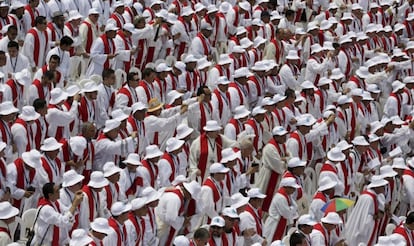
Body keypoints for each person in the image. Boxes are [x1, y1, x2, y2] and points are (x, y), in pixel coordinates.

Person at [345, 175, 388, 245]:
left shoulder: (370, 196)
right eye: (382, 186)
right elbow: (365, 220)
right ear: (377, 187)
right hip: (362, 232)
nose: (384, 188)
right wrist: (376, 217)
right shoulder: (369, 199)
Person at [264, 177, 299, 241]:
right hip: (274, 225)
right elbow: (287, 214)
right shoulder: (281, 197)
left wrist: (291, 209)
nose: (294, 190)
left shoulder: (288, 195)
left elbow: (295, 206)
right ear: (286, 187)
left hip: (280, 222)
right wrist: (292, 209)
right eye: (293, 188)